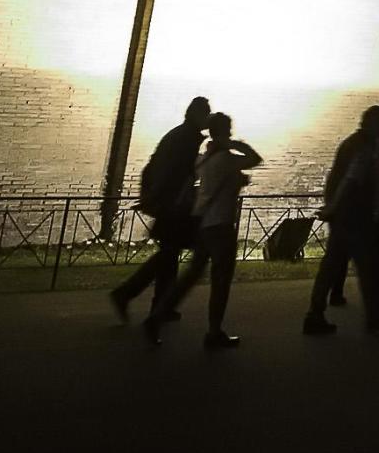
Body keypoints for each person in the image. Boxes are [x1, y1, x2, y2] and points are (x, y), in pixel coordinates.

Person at [109, 95, 213, 336]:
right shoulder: (186, 139)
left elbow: (158, 168)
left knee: (170, 254)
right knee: (170, 254)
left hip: (168, 203)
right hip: (174, 207)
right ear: (197, 115)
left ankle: (159, 306)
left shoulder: (178, 135)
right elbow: (177, 176)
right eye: (205, 113)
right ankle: (127, 295)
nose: (208, 117)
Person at [304, 104, 379, 335]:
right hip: (355, 215)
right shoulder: (364, 148)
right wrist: (335, 207)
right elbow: (350, 181)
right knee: (367, 267)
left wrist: (332, 209)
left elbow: (340, 179)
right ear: (374, 124)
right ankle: (374, 316)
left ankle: (315, 314)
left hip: (345, 215)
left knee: (332, 264)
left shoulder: (357, 143)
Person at [181, 111, 264, 349]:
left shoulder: (203, 159)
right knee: (220, 281)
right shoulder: (227, 159)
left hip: (204, 224)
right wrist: (235, 144)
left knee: (192, 273)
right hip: (222, 226)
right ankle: (214, 331)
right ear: (225, 132)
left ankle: (158, 315)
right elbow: (255, 159)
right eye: (229, 130)